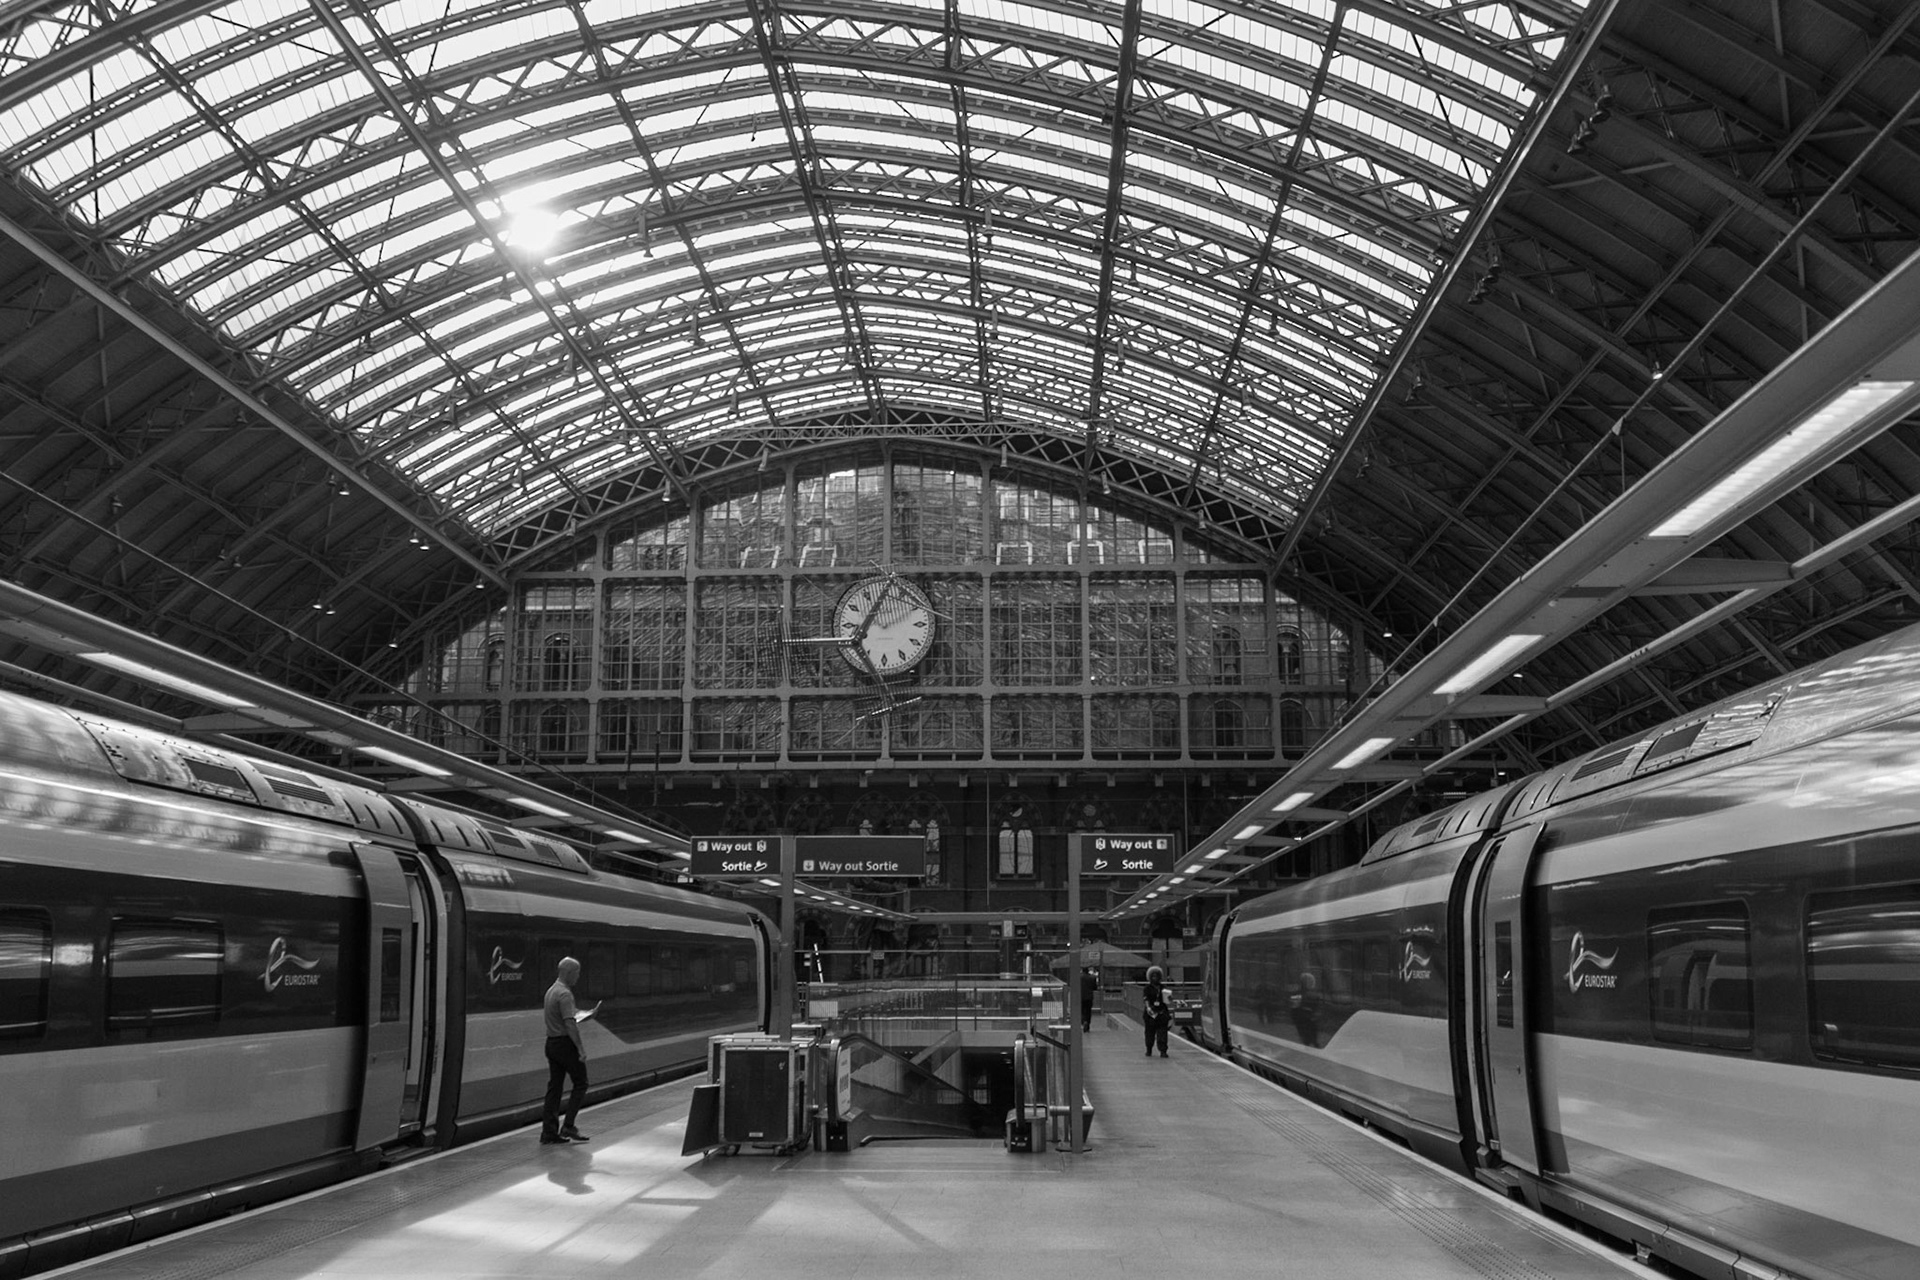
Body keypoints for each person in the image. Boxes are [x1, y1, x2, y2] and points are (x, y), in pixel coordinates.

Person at [540, 956, 600, 1144]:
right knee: (581, 1083)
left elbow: (563, 1017)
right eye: (577, 973)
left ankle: (549, 1132)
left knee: (555, 1087)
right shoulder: (565, 994)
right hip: (565, 1045)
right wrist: (580, 1049)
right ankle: (569, 1125)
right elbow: (570, 1024)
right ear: (568, 973)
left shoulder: (551, 991)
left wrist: (582, 1015)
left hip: (551, 1043)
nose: (578, 976)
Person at [1142, 965, 1172, 1058]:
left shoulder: (1163, 988)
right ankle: (1149, 1049)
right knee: (1149, 1033)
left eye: (1157, 976)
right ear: (1150, 977)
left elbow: (1168, 1001)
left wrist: (1170, 998)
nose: (1155, 978)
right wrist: (1148, 1008)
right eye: (1153, 976)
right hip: (1151, 1013)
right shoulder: (1147, 988)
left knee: (1162, 1033)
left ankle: (1163, 1051)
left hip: (1162, 1013)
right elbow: (1146, 999)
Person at [1080, 965, 1099, 1033]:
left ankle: (1083, 1021)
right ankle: (1087, 1024)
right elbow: (1095, 988)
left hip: (1080, 997)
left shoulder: (1079, 977)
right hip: (1089, 997)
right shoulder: (1092, 977)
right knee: (1088, 1011)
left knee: (1081, 1010)